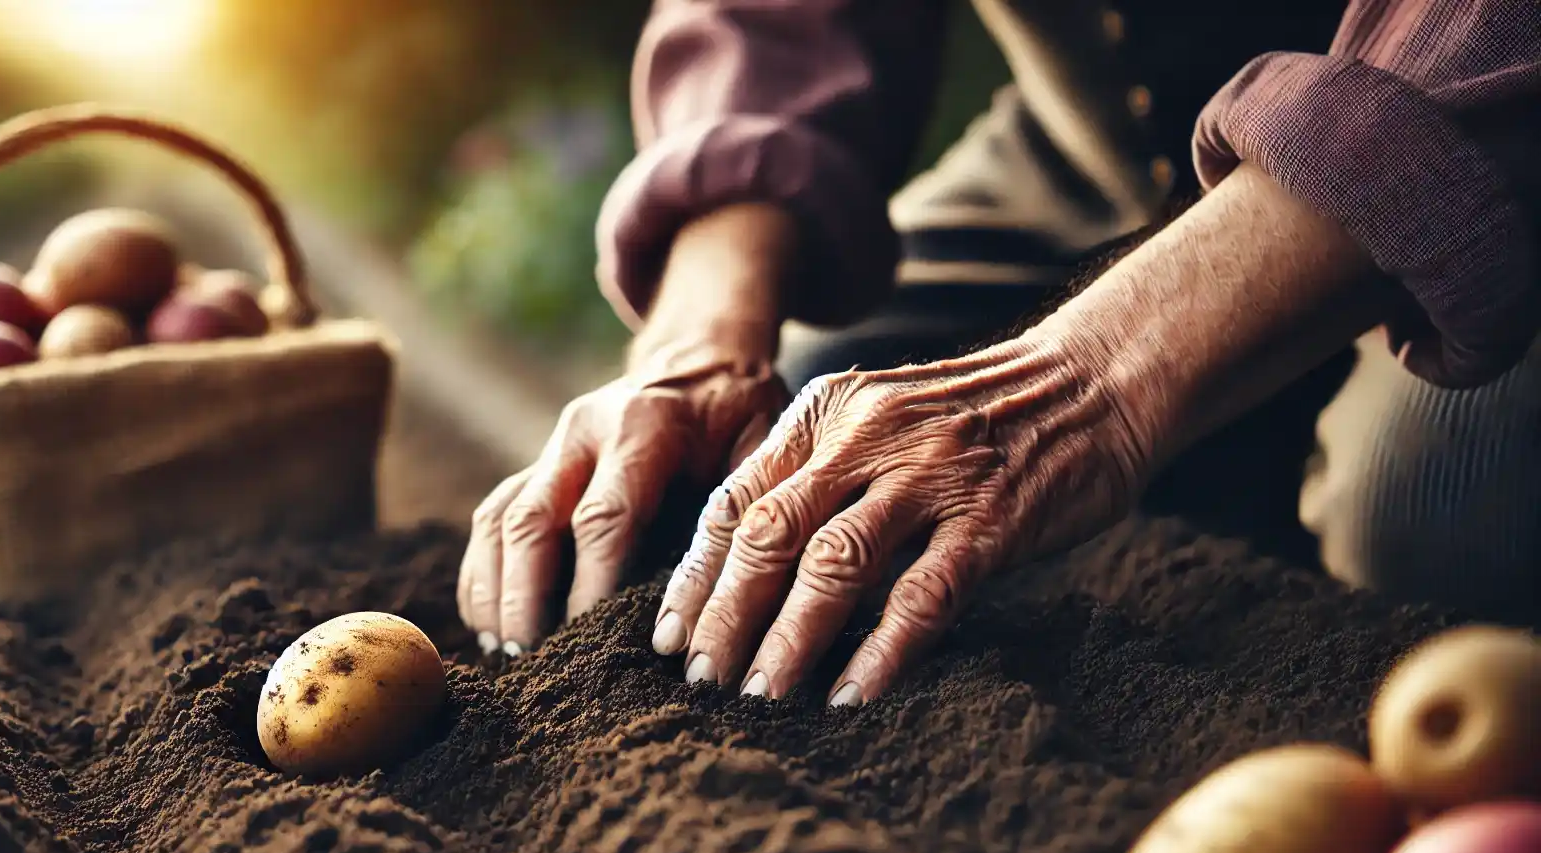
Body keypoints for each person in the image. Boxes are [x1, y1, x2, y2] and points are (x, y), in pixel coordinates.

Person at [457, 0, 1541, 708]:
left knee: (1426, 516)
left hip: (1490, 147)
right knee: (785, 430)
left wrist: (1096, 378)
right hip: (1090, 149)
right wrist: (696, 341)